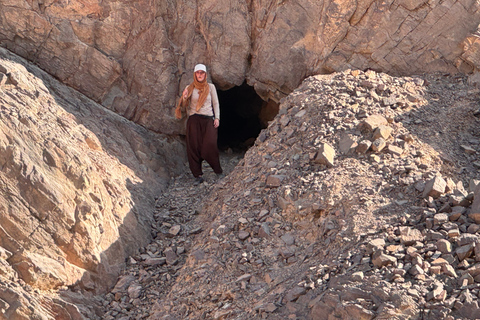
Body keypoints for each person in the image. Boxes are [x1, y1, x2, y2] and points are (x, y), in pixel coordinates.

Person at [175, 63, 224, 185]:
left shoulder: (211, 87)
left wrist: (217, 118)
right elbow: (184, 105)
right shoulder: (190, 87)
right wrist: (185, 97)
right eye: (198, 73)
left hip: (208, 119)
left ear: (205, 74)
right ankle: (198, 175)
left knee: (210, 145)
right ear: (195, 74)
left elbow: (216, 103)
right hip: (194, 120)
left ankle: (218, 171)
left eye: (202, 73)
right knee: (193, 147)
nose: (200, 75)